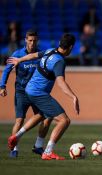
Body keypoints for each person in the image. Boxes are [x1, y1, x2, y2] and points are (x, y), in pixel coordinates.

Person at [7, 33, 80, 160]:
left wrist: (19, 60)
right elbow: (61, 82)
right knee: (64, 121)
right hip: (39, 93)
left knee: (42, 114)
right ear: (70, 47)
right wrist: (73, 97)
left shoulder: (50, 50)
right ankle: (48, 151)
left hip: (29, 89)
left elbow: (32, 55)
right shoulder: (59, 61)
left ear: (59, 43)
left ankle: (16, 136)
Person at [0, 29, 52, 158]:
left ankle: (38, 146)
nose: (32, 43)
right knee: (19, 120)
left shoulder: (40, 55)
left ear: (37, 40)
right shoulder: (17, 54)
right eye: (30, 40)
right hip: (21, 92)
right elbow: (6, 71)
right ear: (25, 40)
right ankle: (14, 148)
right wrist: (2, 86)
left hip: (36, 93)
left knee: (47, 117)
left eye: (34, 40)